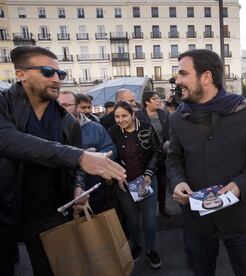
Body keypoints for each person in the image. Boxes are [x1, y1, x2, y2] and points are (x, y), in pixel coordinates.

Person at [0, 46, 126, 276]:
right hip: (4, 210)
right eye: (48, 72)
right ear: (21, 74)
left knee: (51, 271)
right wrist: (79, 157)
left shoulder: (67, 122)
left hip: (49, 212)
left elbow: (74, 166)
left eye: (61, 74)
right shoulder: (3, 104)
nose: (57, 79)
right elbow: (7, 139)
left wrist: (77, 187)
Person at [166, 49, 246, 276]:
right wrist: (177, 182)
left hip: (238, 217)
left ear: (206, 77)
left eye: (183, 73)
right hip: (196, 220)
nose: (177, 79)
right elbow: (174, 158)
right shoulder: (177, 118)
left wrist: (239, 185)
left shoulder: (245, 110)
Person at [108, 101, 162, 268]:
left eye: (124, 115)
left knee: (150, 220)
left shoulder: (146, 127)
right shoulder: (112, 132)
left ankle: (151, 249)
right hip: (124, 183)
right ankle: (137, 245)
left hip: (146, 181)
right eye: (117, 116)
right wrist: (118, 176)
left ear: (132, 114)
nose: (120, 120)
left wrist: (148, 173)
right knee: (132, 220)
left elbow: (157, 150)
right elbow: (111, 157)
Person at [58, 91, 117, 213]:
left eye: (67, 105)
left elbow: (110, 149)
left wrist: (95, 157)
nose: (62, 109)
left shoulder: (96, 127)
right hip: (63, 193)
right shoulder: (52, 128)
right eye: (60, 105)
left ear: (77, 106)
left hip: (94, 190)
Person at [137, 90, 172, 218]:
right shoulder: (138, 115)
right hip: (146, 155)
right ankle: (145, 210)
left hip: (162, 155)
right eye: (155, 98)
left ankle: (162, 206)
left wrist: (169, 140)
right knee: (144, 182)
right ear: (147, 101)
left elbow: (170, 130)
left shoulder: (164, 114)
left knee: (162, 183)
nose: (159, 100)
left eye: (159, 98)